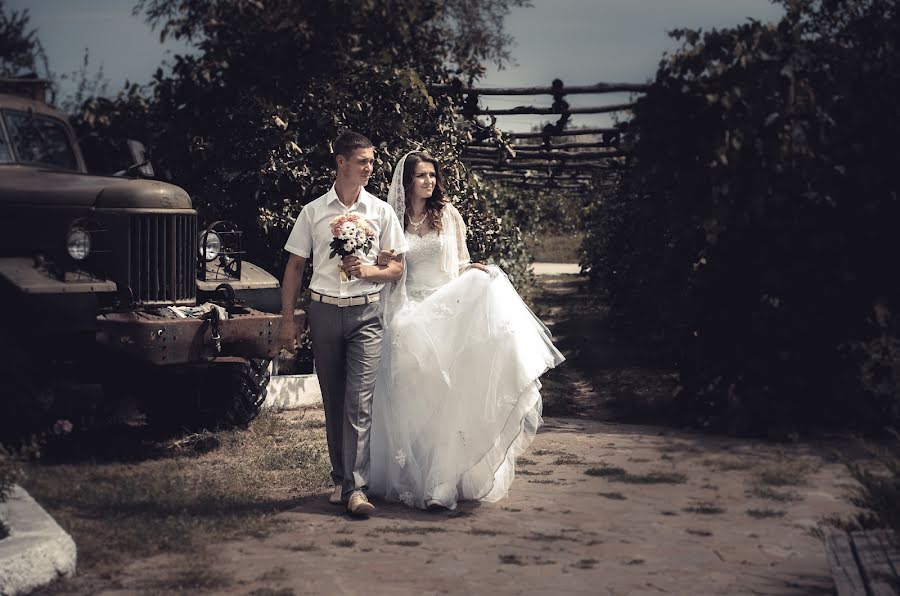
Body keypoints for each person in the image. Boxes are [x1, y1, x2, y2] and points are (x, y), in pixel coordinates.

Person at [369, 151, 565, 510]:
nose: (428, 181)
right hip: (411, 311)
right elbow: (389, 269)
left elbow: (459, 262)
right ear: (406, 181)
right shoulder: (392, 220)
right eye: (421, 176)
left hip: (448, 307)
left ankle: (442, 482)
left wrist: (472, 270)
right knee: (418, 396)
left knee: (451, 395)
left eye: (432, 175)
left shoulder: (449, 215)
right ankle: (419, 472)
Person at [281, 132, 408, 517]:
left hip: (366, 314)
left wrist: (371, 271)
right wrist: (289, 319)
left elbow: (398, 268)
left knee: (358, 403)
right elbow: (295, 267)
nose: (371, 168)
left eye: (372, 161)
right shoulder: (314, 211)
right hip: (322, 311)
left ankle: (357, 489)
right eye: (364, 161)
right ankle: (340, 478)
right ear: (341, 162)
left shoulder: (381, 212)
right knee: (335, 400)